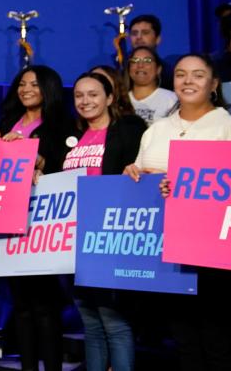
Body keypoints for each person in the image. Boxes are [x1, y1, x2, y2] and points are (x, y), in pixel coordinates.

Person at [127, 53, 231, 371]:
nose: (188, 81)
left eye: (198, 75)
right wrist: (134, 175)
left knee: (217, 338)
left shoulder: (230, 128)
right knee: (182, 337)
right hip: (163, 246)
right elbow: (140, 171)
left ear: (214, 83)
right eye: (181, 74)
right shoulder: (157, 129)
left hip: (213, 249)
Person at [0, 65, 70, 371]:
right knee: (22, 306)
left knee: (45, 306)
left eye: (34, 84)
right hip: (9, 222)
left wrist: (39, 159)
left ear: (48, 89)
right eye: (22, 83)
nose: (26, 89)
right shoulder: (6, 124)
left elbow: (63, 166)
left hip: (43, 223)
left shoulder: (59, 125)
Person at [65, 72, 146, 371]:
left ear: (110, 98)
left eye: (93, 94)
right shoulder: (71, 138)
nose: (85, 101)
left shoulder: (127, 130)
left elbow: (140, 171)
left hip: (110, 237)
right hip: (73, 239)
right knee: (90, 322)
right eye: (79, 95)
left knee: (114, 322)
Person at [126, 46, 177, 124]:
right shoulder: (120, 99)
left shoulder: (172, 100)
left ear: (158, 69)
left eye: (147, 60)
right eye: (135, 60)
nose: (140, 65)